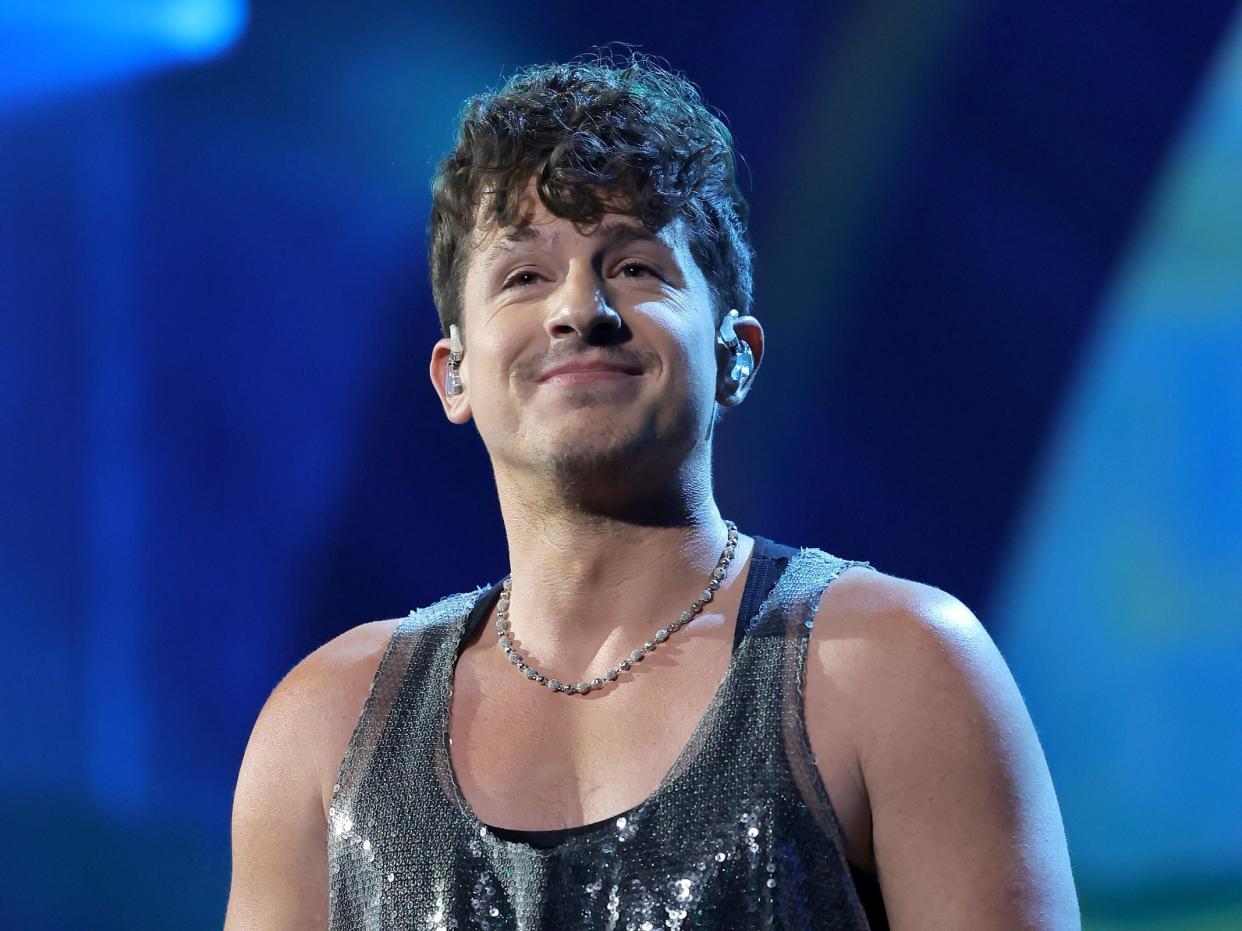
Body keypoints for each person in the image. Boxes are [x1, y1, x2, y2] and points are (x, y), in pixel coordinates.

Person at [224, 52, 1080, 930]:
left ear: (734, 351)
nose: (579, 309)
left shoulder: (895, 667)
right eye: (524, 275)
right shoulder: (326, 729)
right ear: (453, 376)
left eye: (635, 266)